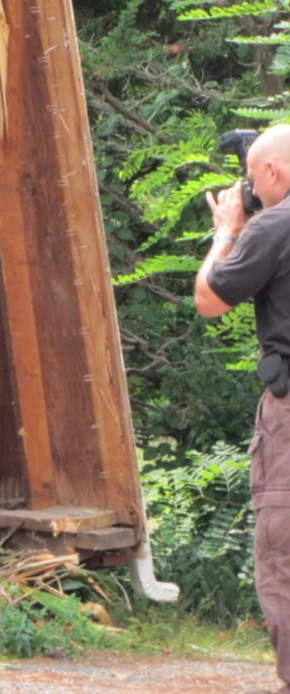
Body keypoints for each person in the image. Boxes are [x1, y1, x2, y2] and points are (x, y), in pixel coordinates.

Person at [195, 123, 290, 689]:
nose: (248, 189)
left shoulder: (276, 226)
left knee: (284, 550)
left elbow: (211, 299)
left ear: (274, 173)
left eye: (253, 178)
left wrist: (228, 232)